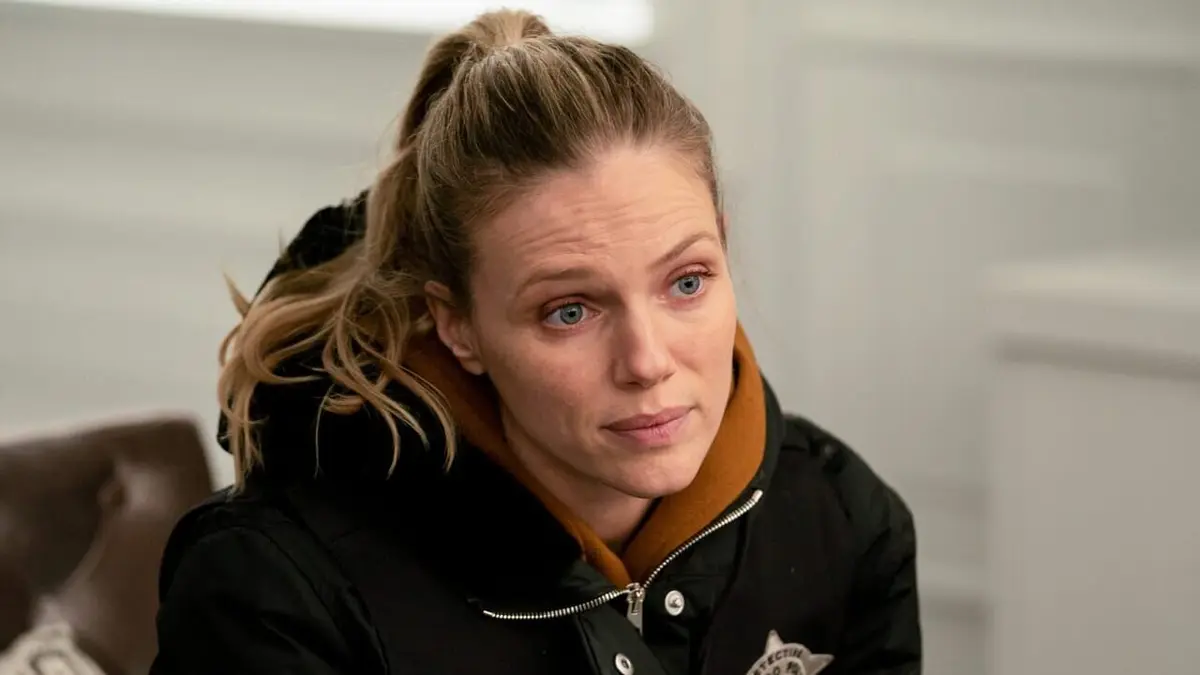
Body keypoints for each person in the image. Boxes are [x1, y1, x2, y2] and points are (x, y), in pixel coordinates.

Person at [149, 9, 920, 675]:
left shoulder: (847, 522)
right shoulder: (274, 589)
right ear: (457, 325)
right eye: (570, 311)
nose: (648, 362)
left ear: (723, 247)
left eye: (686, 281)